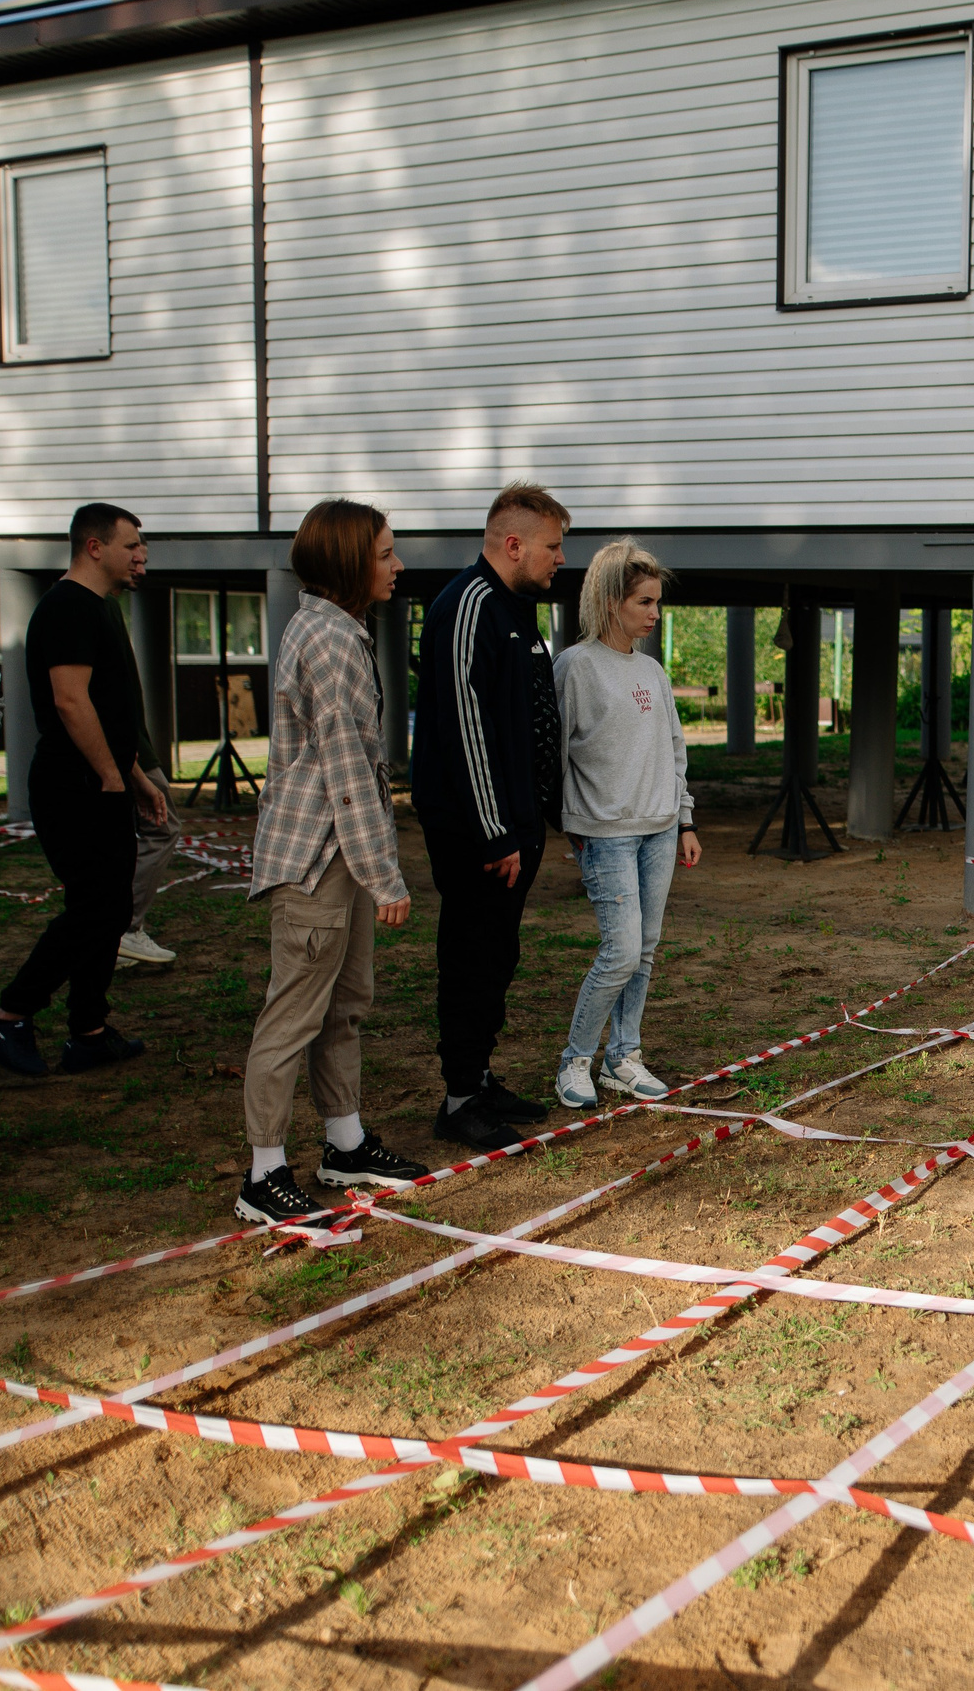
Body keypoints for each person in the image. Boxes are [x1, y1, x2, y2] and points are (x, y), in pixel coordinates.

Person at [234, 501, 430, 1226]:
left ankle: (345, 1145)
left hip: (337, 854)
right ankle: (263, 1175)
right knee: (292, 1017)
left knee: (344, 1006)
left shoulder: (335, 629)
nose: (397, 565)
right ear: (349, 563)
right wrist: (385, 874)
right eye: (384, 554)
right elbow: (348, 772)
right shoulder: (330, 639)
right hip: (318, 859)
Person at [0, 505, 165, 1077]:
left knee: (108, 909)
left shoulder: (99, 607)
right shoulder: (67, 607)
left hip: (100, 780)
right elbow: (71, 701)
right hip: (74, 786)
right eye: (131, 545)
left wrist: (134, 778)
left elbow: (107, 709)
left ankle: (89, 1032)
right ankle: (9, 1015)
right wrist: (110, 776)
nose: (141, 556)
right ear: (94, 547)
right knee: (97, 908)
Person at [411, 482, 567, 1153]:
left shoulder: (516, 608)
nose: (561, 558)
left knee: (498, 954)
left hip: (514, 825)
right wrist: (495, 830)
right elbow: (465, 727)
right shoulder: (468, 604)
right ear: (514, 544)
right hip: (479, 831)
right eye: (552, 546)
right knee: (472, 955)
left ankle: (477, 1077)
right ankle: (459, 1100)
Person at [552, 539, 701, 1109]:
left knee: (645, 948)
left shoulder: (652, 671)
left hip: (660, 829)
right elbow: (554, 754)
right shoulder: (576, 666)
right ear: (611, 601)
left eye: (657, 601)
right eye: (644, 601)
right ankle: (575, 1061)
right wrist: (567, 821)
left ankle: (623, 1056)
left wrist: (684, 821)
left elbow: (674, 748)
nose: (654, 613)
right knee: (620, 951)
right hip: (605, 833)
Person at [112, 594, 179, 970]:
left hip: (127, 749)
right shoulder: (93, 606)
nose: (140, 565)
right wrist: (136, 770)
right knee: (162, 825)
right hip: (126, 751)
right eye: (136, 563)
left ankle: (114, 935)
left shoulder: (100, 605)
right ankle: (123, 929)